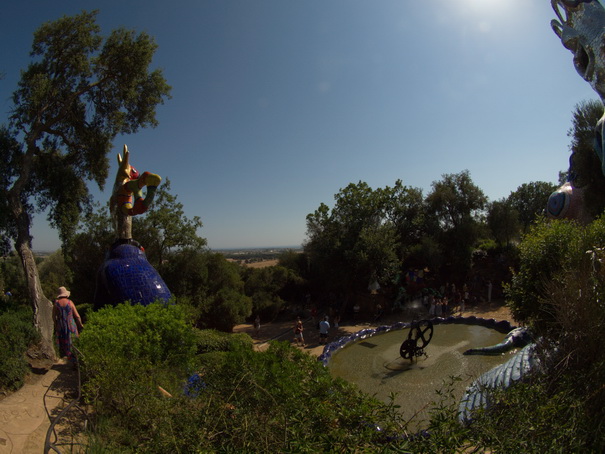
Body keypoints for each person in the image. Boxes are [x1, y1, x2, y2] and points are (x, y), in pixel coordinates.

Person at [53, 286, 83, 362]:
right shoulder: (70, 302)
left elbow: (53, 317)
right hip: (71, 326)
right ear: (66, 294)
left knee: (64, 344)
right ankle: (75, 361)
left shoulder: (56, 304)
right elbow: (77, 316)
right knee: (74, 343)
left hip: (61, 326)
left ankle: (68, 358)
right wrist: (81, 325)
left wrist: (56, 326)